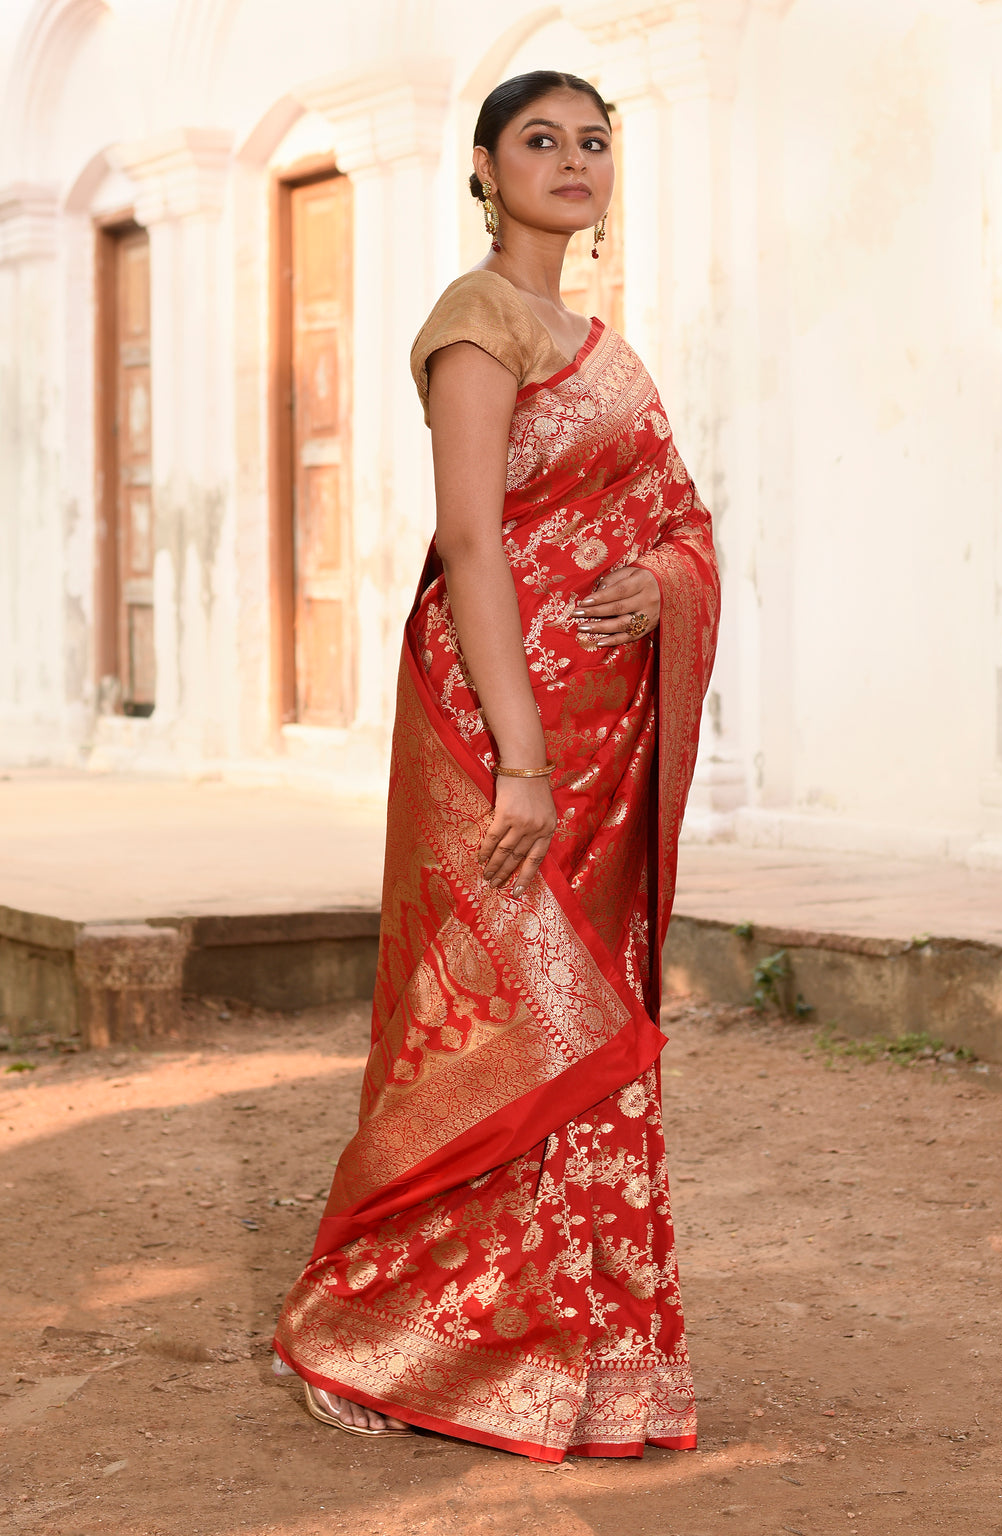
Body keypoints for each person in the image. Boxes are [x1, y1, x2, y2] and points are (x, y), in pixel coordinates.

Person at [273, 68, 720, 1462]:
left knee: (584, 1050)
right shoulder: (478, 323)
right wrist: (519, 765)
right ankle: (390, 1331)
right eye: (543, 139)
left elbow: (682, 517)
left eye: (596, 141)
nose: (575, 160)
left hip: (608, 744)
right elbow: (470, 541)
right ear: (484, 166)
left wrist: (658, 580)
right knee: (489, 1027)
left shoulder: (606, 345)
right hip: (505, 736)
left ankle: (583, 1359)